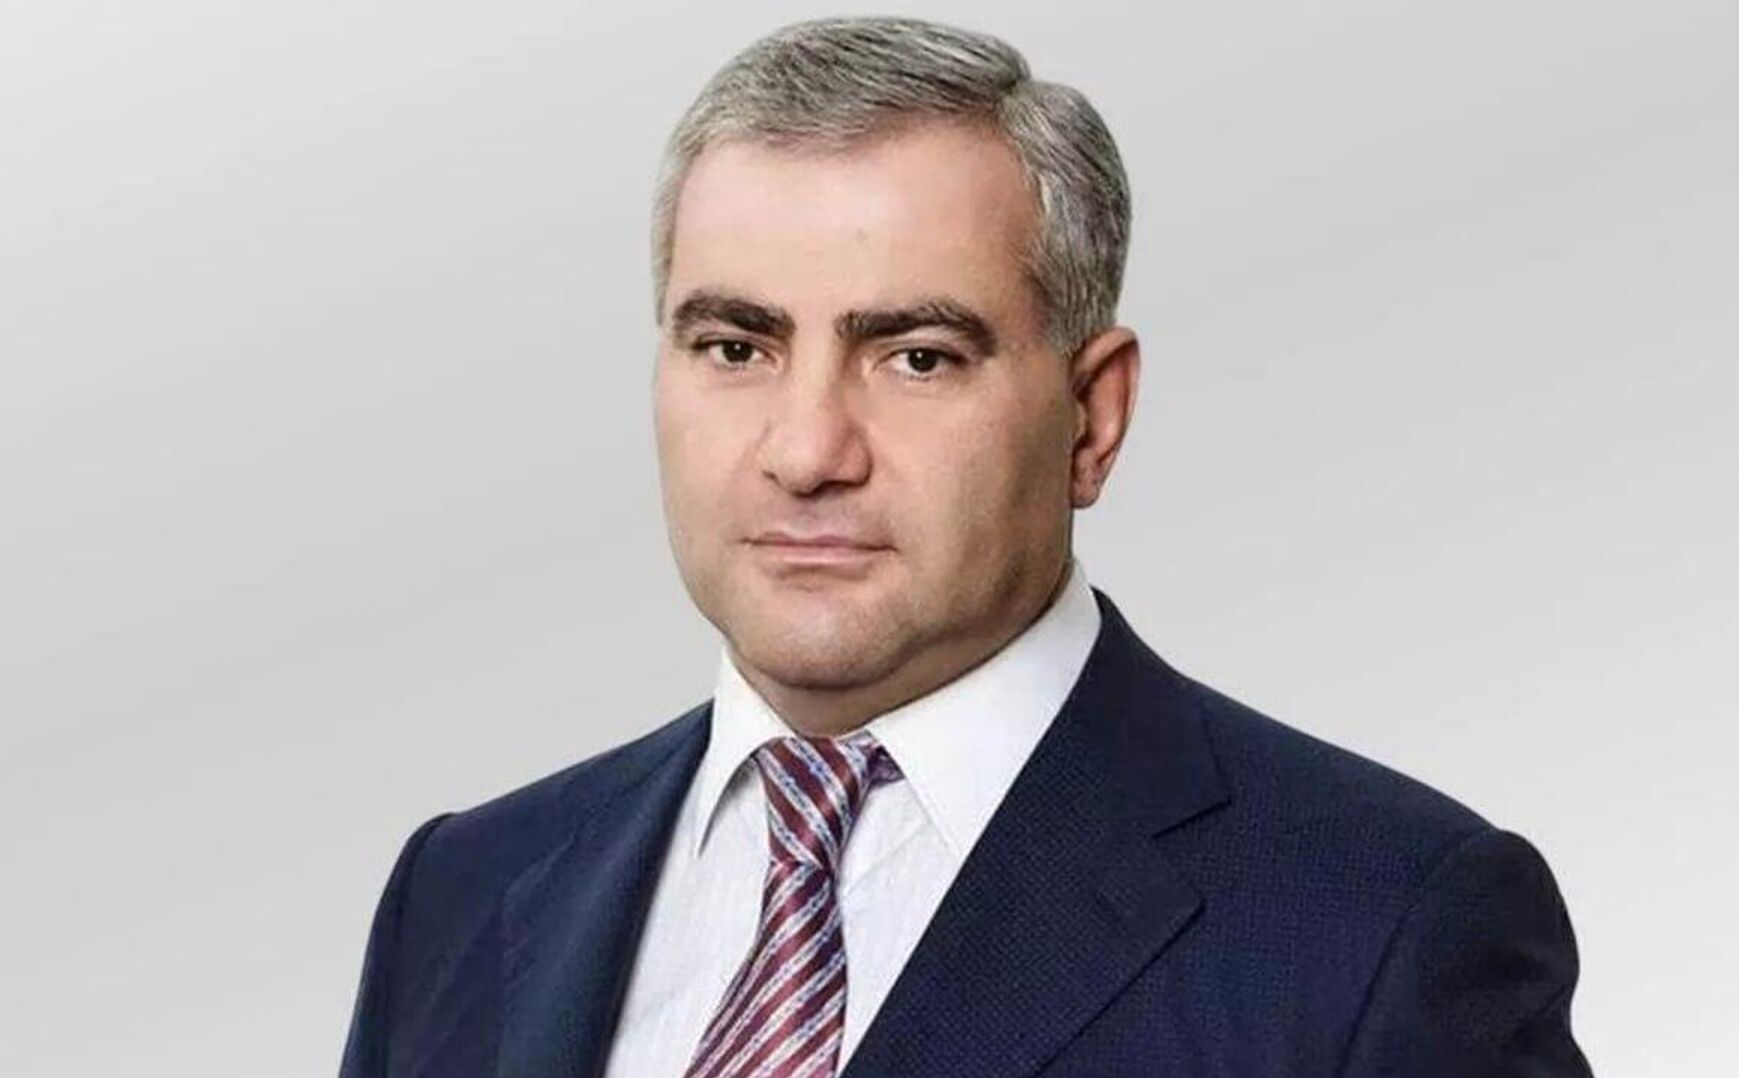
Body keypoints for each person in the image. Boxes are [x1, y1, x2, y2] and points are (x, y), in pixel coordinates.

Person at [339, 16, 1591, 1078]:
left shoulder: (1382, 926)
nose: (806, 450)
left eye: (917, 357)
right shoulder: (463, 894)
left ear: (1091, 417)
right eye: (735, 347)